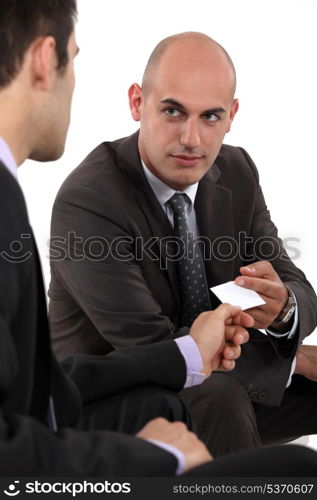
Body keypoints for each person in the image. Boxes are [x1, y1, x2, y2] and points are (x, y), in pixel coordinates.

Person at [4, 0, 316, 478]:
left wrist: (284, 313)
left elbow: (293, 283)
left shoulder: (236, 169)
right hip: (119, 392)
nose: (191, 138)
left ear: (231, 116)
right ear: (137, 103)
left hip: (218, 374)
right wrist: (290, 364)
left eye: (210, 117)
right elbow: (147, 344)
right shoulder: (89, 199)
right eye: (173, 111)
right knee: (221, 396)